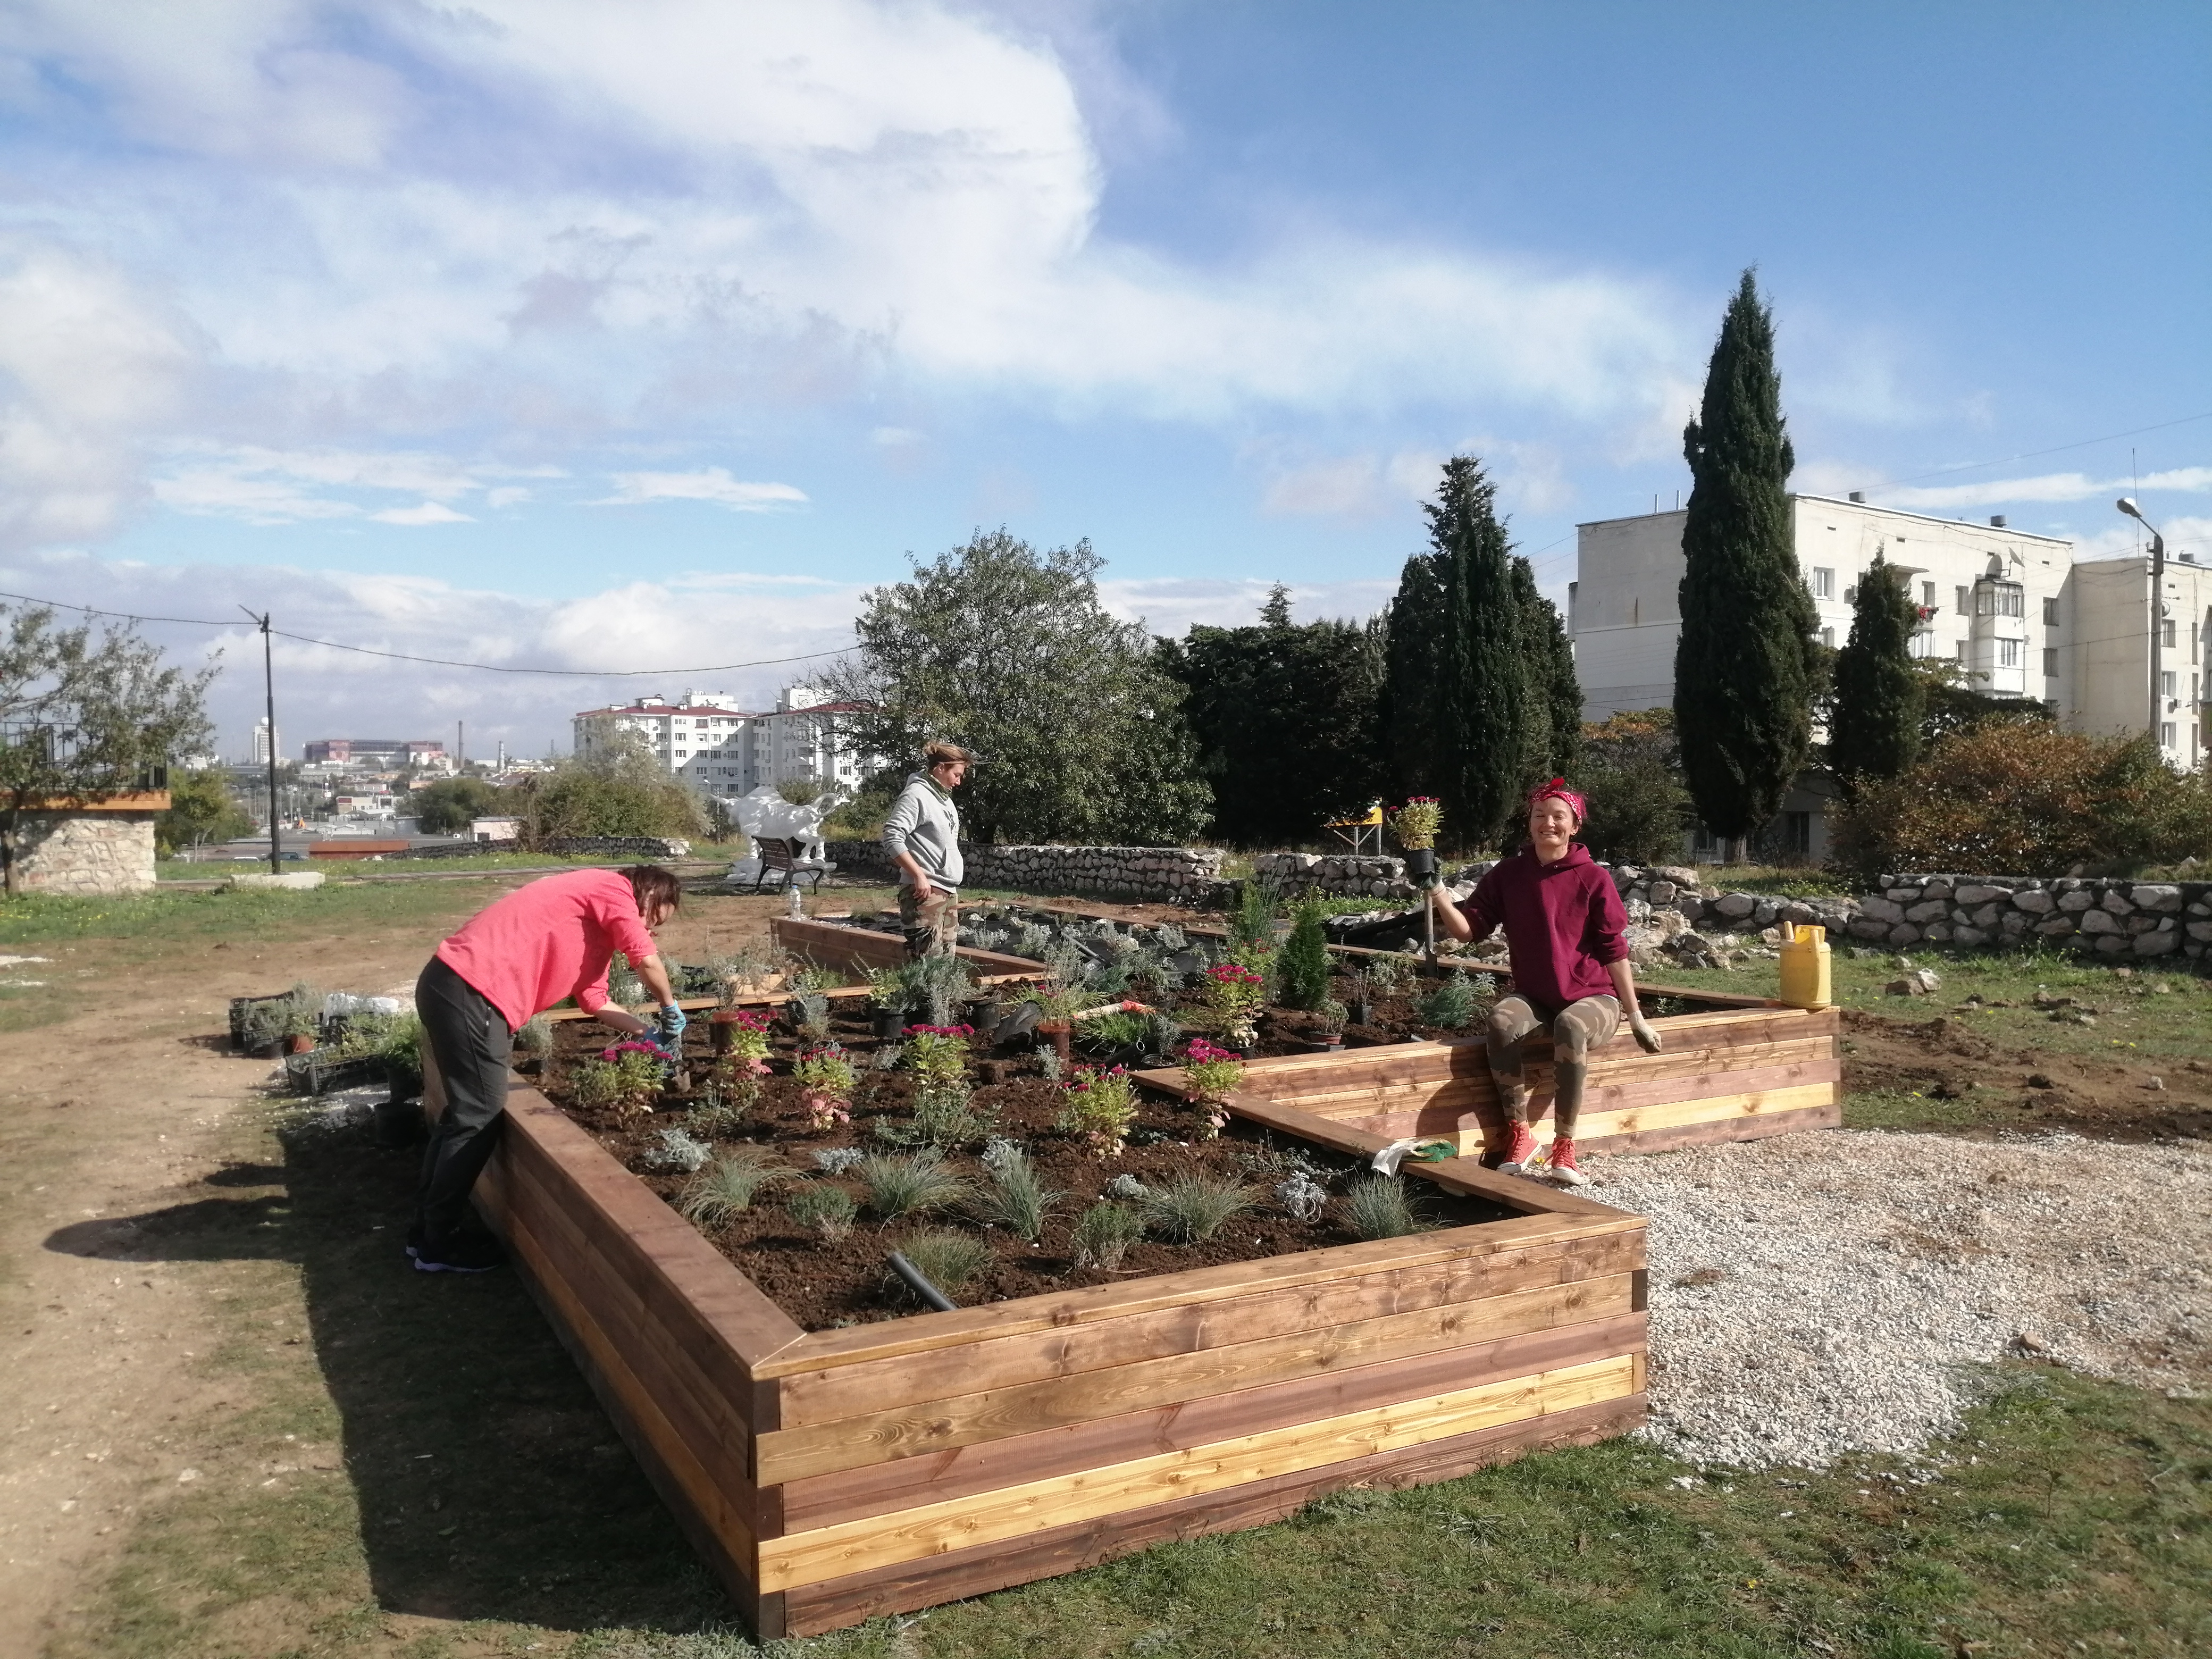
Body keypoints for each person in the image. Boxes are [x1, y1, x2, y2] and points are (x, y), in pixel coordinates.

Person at [409, 864, 686, 1272]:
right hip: (472, 993)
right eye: (651, 919)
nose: (647, 929)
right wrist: (668, 1006)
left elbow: (595, 999)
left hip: (460, 991)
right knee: (478, 1117)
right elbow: (645, 960)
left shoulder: (594, 929)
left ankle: (426, 1235)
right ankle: (437, 1244)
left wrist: (646, 1032)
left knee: (464, 1115)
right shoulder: (611, 887)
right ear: (645, 894)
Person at [1426, 778, 1662, 1186]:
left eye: (1559, 817)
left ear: (1574, 827)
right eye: (1540, 816)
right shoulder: (1509, 875)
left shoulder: (1593, 879)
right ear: (1530, 823)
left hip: (1594, 999)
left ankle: (1565, 1145)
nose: (1547, 823)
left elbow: (1615, 951)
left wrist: (1636, 1015)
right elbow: (1469, 931)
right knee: (1501, 1020)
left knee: (1570, 1025)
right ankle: (1520, 1135)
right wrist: (1440, 895)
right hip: (1536, 998)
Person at [883, 740, 978, 960]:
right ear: (941, 768)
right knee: (925, 965)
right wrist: (918, 875)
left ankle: (943, 997)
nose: (959, 781)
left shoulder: (944, 800)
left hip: (947, 891)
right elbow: (892, 836)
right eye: (956, 774)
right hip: (925, 893)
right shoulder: (916, 795)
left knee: (945, 966)